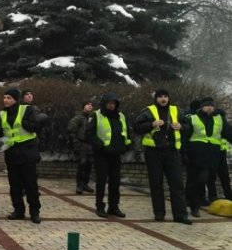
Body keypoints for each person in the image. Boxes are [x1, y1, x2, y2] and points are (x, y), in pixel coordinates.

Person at [133, 89, 192, 224]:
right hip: (154, 152)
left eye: (165, 96)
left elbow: (189, 128)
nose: (163, 99)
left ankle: (180, 215)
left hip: (172, 152)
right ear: (156, 98)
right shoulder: (148, 111)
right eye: (160, 97)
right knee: (156, 184)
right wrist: (151, 124)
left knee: (177, 184)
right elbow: (136, 127)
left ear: (169, 98)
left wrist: (182, 127)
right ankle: (159, 213)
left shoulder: (177, 111)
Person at [0, 88, 44, 223]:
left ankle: (34, 211)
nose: (6, 100)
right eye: (4, 98)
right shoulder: (3, 113)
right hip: (12, 153)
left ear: (15, 99)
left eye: (9, 98)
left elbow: (36, 126)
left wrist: (25, 124)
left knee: (30, 185)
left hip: (27, 153)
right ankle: (18, 210)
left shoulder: (26, 110)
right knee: (14, 185)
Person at [183, 97, 232, 217]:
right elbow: (186, 135)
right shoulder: (193, 118)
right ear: (202, 107)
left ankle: (195, 199)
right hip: (195, 154)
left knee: (204, 179)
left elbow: (228, 132)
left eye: (211, 105)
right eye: (207, 105)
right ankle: (193, 205)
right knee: (193, 180)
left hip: (212, 155)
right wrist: (183, 152)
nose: (210, 107)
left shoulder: (219, 118)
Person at [86, 92, 131, 218]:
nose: (111, 106)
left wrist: (126, 144)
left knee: (115, 181)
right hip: (102, 155)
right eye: (109, 103)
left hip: (116, 154)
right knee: (101, 181)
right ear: (104, 104)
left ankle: (113, 206)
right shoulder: (96, 115)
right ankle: (100, 206)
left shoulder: (120, 116)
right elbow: (89, 134)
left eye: (113, 103)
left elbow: (126, 132)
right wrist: (100, 145)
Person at [67, 101, 95, 194]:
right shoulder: (78, 118)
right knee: (82, 164)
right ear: (83, 106)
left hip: (90, 144)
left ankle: (85, 184)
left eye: (91, 105)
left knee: (89, 164)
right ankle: (79, 185)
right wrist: (75, 142)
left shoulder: (93, 118)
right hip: (81, 143)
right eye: (88, 104)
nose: (90, 106)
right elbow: (71, 130)